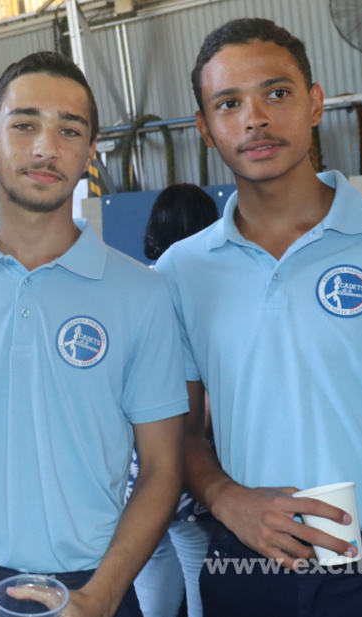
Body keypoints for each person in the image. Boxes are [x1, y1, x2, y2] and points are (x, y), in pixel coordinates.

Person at [155, 18, 362, 617]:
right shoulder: (179, 272)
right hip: (248, 565)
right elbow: (180, 434)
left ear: (315, 102)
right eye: (229, 103)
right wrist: (225, 497)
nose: (254, 118)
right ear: (204, 128)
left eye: (276, 93)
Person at [0, 51, 188, 617]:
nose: (45, 147)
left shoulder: (140, 295)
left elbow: (161, 469)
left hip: (93, 588)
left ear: (89, 150)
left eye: (69, 129)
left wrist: (101, 597)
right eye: (24, 124)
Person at [131, 183, 218, 617]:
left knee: (153, 578)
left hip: (137, 466)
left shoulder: (138, 287)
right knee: (199, 572)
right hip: (187, 463)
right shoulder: (204, 289)